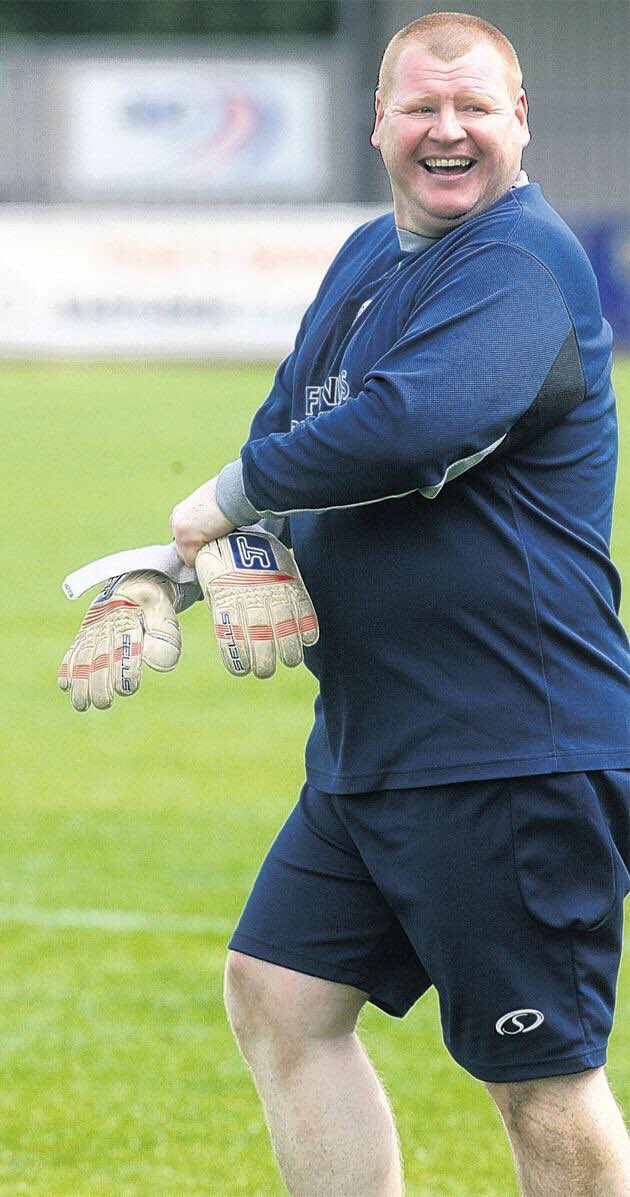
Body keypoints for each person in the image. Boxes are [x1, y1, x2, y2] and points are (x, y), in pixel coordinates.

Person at [68, 11, 630, 1195]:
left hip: (505, 747)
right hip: (374, 741)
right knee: (279, 994)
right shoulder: (368, 259)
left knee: (538, 1079)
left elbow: (413, 426)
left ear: (521, 122)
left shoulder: (523, 263)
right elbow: (285, 435)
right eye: (422, 106)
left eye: (475, 106)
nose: (447, 129)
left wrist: (214, 504)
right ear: (378, 121)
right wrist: (175, 568)